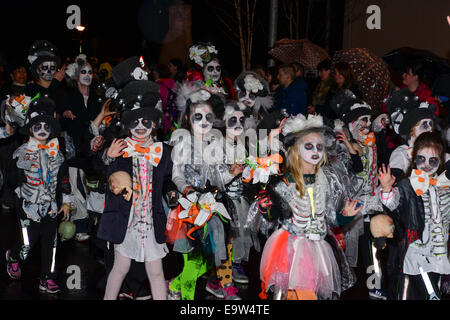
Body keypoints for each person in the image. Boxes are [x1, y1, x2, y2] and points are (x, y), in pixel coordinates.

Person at [258, 113, 361, 300]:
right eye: (309, 146)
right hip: (292, 249)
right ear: (297, 150)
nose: (315, 150)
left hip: (318, 249)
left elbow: (328, 218)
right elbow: (274, 215)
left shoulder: (325, 180)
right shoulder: (286, 182)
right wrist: (265, 207)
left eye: (319, 146)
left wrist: (346, 215)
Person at [97, 80, 177, 300]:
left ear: (154, 123)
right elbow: (100, 172)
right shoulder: (120, 147)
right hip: (127, 220)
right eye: (136, 122)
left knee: (155, 271)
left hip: (152, 221)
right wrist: (107, 158)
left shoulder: (164, 151)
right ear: (128, 124)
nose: (141, 126)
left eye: (146, 121)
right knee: (120, 268)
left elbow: (169, 179)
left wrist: (172, 196)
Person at [166, 87, 240, 300]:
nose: (204, 121)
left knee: (208, 261)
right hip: (189, 210)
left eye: (209, 116)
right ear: (188, 117)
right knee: (194, 261)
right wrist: (188, 190)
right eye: (198, 116)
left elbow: (219, 179)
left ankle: (175, 285)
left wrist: (232, 173)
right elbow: (176, 175)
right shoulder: (182, 142)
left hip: (211, 208)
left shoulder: (214, 143)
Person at [5, 96, 73, 294]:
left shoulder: (57, 154)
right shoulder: (20, 152)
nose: (42, 130)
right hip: (28, 206)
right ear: (30, 129)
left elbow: (64, 180)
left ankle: (47, 278)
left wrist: (67, 202)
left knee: (51, 244)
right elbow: (11, 180)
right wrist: (21, 166)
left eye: (46, 126)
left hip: (51, 205)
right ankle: (14, 257)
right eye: (37, 126)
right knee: (27, 245)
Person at [378, 131, 450, 300]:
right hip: (415, 254)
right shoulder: (408, 184)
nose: (426, 164)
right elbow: (393, 204)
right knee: (418, 294)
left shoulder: (445, 185)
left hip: (438, 256)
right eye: (421, 159)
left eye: (432, 160)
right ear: (414, 158)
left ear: (440, 160)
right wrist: (387, 189)